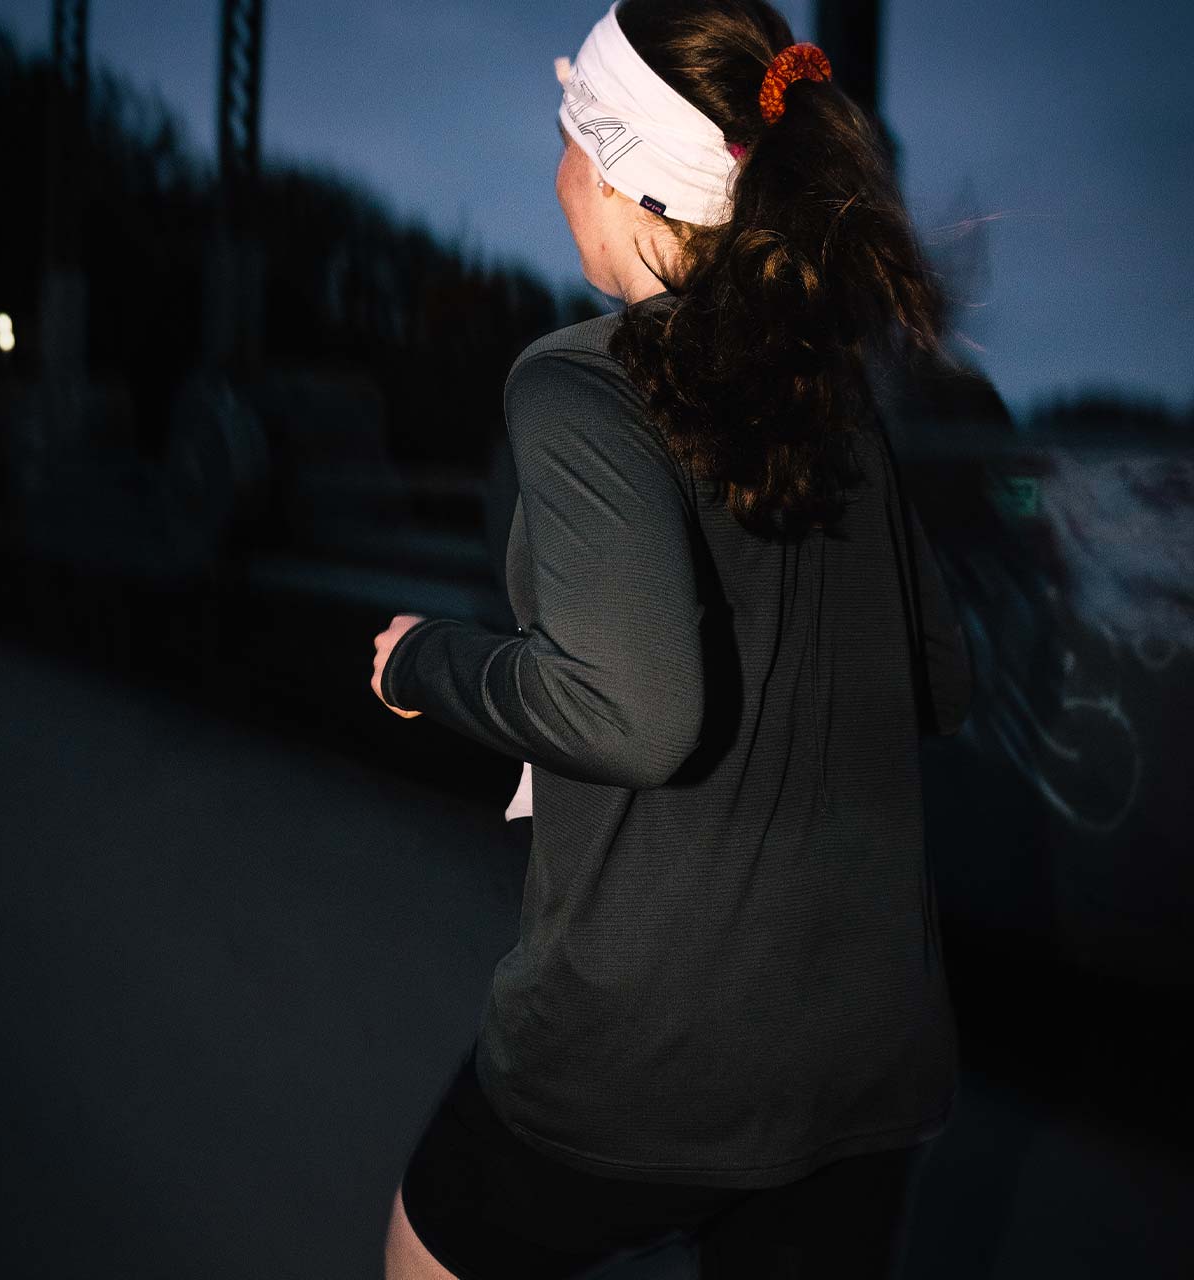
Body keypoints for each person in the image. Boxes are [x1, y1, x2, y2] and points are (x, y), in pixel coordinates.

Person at [371, 1, 974, 1275]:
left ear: (615, 168)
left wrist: (426, 659)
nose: (552, 171)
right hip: (861, 1066)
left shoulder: (581, 382)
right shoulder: (834, 392)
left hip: (643, 1056)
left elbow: (636, 713)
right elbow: (943, 673)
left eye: (564, 136)